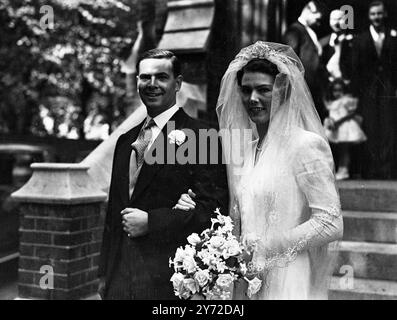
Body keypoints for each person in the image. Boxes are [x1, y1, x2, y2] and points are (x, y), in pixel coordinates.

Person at [175, 42, 343, 299]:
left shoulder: (305, 145)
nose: (252, 99)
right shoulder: (245, 151)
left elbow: (330, 223)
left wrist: (267, 246)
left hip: (288, 276)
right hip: (248, 279)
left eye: (263, 90)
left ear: (283, 92)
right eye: (246, 90)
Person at [98, 49, 228, 299]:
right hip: (119, 279)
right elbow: (114, 213)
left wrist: (152, 222)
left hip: (165, 281)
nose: (152, 84)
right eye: (145, 77)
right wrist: (104, 274)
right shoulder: (125, 141)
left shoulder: (201, 137)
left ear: (177, 83)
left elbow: (213, 212)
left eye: (161, 77)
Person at [351, 1, 397, 179]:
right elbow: (355, 69)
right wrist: (356, 94)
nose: (376, 17)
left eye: (379, 14)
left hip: (388, 90)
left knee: (388, 129)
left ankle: (386, 170)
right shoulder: (360, 40)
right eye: (373, 14)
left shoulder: (393, 39)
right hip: (367, 92)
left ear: (384, 15)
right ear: (369, 17)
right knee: (369, 128)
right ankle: (370, 170)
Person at [283, 1, 327, 120]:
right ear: (309, 10)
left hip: (311, 90)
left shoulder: (308, 31)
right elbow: (289, 61)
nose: (318, 23)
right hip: (301, 91)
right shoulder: (295, 31)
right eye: (317, 19)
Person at [323, 79, 367, 180]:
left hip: (344, 127)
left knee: (344, 150)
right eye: (335, 90)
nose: (337, 93)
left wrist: (338, 122)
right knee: (340, 150)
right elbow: (332, 113)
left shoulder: (346, 100)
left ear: (344, 90)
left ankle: (344, 171)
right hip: (335, 127)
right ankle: (340, 169)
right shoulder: (333, 102)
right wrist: (330, 122)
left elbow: (351, 114)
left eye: (340, 90)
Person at [320, 9, 355, 83]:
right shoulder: (322, 43)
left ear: (346, 22)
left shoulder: (354, 41)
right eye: (333, 19)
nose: (336, 23)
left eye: (339, 19)